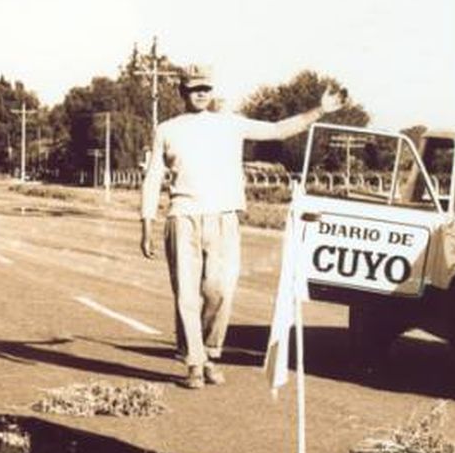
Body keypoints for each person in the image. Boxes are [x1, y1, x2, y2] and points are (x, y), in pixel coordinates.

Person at [139, 65, 344, 389]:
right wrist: (146, 220)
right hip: (183, 216)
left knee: (220, 290)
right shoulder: (167, 129)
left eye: (206, 87)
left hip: (224, 217)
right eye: (194, 89)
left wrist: (319, 110)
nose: (201, 93)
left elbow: (277, 129)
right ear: (182, 92)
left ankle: (207, 351)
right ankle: (194, 363)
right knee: (186, 295)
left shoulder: (230, 124)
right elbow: (153, 176)